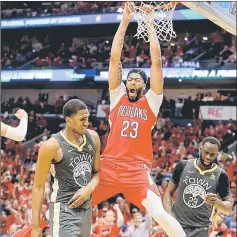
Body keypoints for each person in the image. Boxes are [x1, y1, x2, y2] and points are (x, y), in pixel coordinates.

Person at [92, 3, 186, 237]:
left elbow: (156, 61)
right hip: (109, 166)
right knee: (72, 203)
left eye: (136, 80)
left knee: (160, 214)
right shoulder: (117, 97)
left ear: (144, 85)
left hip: (137, 170)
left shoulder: (152, 101)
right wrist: (125, 21)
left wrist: (150, 25)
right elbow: (114, 60)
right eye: (129, 79)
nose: (132, 82)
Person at [31, 99, 101, 237]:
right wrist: (35, 226)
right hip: (63, 211)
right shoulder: (51, 146)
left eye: (87, 118)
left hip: (86, 210)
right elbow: (38, 186)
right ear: (68, 121)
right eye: (82, 119)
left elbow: (97, 173)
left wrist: (89, 188)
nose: (87, 123)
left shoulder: (93, 138)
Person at [163, 136, 232, 237]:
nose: (208, 157)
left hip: (200, 230)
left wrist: (217, 202)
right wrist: (169, 215)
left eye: (212, 154)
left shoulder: (221, 175)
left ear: (217, 154)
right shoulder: (183, 165)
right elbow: (169, 192)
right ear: (200, 149)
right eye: (206, 152)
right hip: (176, 226)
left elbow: (228, 209)